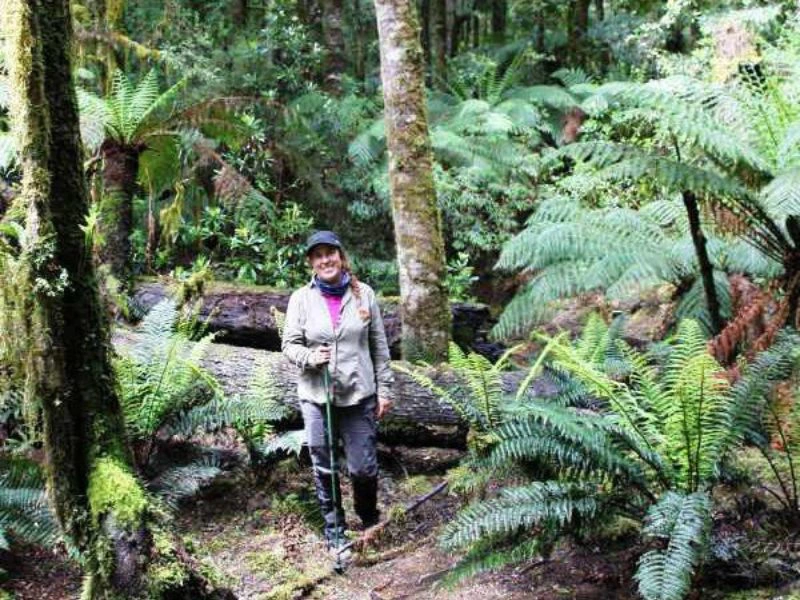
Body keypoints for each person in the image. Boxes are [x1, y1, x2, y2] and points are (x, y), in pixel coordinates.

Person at [282, 230, 394, 550]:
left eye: (329, 253)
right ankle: (334, 528)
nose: (325, 260)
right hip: (317, 395)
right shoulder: (300, 299)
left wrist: (384, 389)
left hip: (359, 395)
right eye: (317, 255)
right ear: (311, 263)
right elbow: (289, 345)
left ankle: (368, 515)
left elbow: (379, 347)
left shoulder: (365, 295)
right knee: (323, 461)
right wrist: (310, 357)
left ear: (341, 256)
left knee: (363, 467)